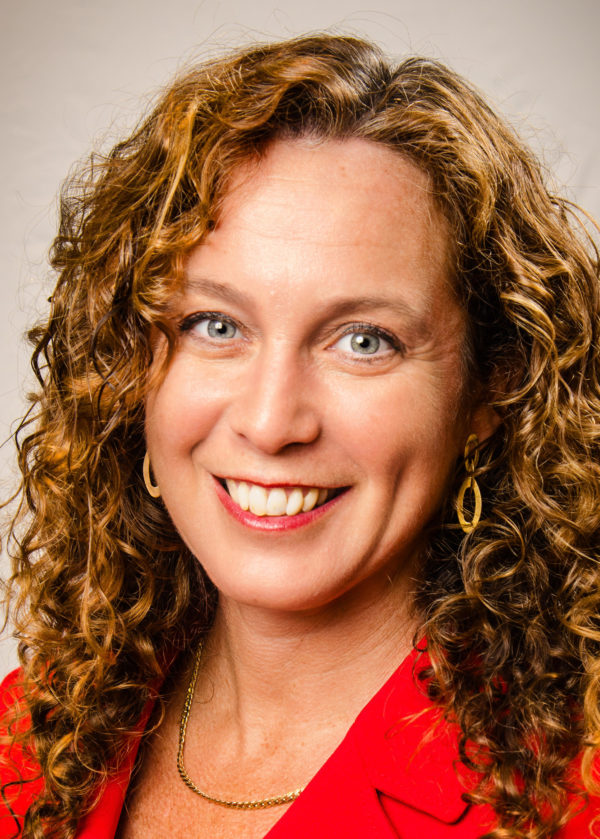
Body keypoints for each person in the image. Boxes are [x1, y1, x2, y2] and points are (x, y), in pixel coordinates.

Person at [1, 33, 599, 839]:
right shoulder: (25, 741)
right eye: (216, 324)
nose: (271, 421)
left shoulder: (574, 797)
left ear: (490, 386)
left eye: (364, 340)